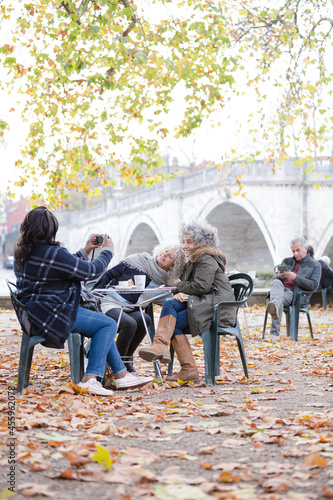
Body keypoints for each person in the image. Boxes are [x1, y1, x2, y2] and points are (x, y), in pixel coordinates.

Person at [14, 206, 152, 395]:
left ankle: (121, 375)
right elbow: (89, 272)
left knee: (101, 323)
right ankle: (91, 378)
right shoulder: (52, 253)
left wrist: (86, 250)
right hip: (53, 315)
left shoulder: (25, 253)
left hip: (35, 313)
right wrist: (107, 252)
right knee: (107, 325)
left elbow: (64, 265)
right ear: (50, 230)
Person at [138, 220, 236, 382]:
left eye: (189, 242)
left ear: (201, 242)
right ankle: (166, 350)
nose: (185, 246)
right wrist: (180, 291)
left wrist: (179, 288)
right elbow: (198, 287)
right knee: (170, 305)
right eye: (183, 242)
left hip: (217, 310)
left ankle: (175, 358)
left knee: (173, 320)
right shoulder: (196, 259)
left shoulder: (205, 258)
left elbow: (201, 286)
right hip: (205, 303)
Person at [94, 245, 185, 373]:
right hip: (110, 302)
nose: (164, 254)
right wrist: (95, 296)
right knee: (129, 323)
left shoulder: (163, 283)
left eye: (170, 256)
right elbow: (109, 274)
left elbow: (169, 297)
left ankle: (126, 361)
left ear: (172, 267)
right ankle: (118, 367)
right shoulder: (138, 260)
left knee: (145, 320)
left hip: (130, 309)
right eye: (166, 251)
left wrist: (178, 295)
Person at [266, 237, 321, 341]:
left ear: (305, 248)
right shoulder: (286, 261)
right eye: (293, 251)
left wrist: (296, 278)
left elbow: (314, 285)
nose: (295, 253)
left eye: (298, 250)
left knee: (277, 299)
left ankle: (274, 333)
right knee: (276, 282)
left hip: (295, 294)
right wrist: (279, 276)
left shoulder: (315, 265)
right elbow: (274, 279)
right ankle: (275, 306)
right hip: (280, 289)